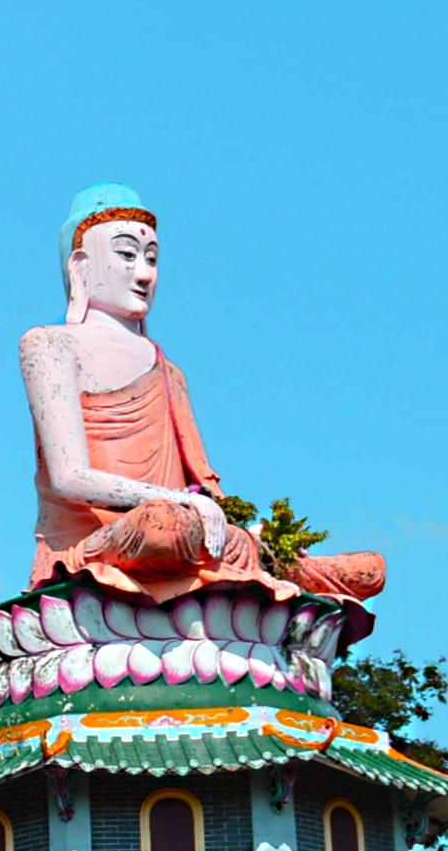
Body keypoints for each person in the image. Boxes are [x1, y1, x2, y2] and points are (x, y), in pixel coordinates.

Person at [22, 184, 387, 608]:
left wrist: (252, 531)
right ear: (81, 265)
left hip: (187, 529)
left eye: (152, 259)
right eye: (127, 255)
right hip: (109, 538)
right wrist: (176, 502)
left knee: (355, 567)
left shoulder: (169, 372)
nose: (144, 274)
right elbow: (69, 479)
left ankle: (274, 565)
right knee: (162, 528)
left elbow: (203, 489)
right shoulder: (49, 346)